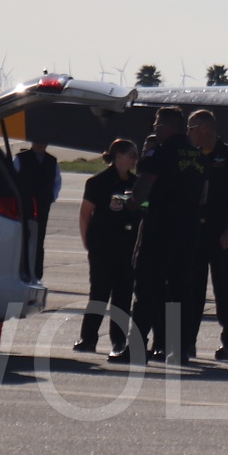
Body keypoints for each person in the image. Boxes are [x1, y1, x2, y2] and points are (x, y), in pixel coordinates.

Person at [128, 107, 207, 363]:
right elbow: (204, 196)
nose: (155, 130)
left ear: (169, 128)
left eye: (158, 126)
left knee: (147, 289)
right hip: (188, 231)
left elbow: (142, 189)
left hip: (160, 230)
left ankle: (137, 349)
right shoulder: (198, 156)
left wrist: (129, 203)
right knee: (181, 291)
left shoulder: (158, 154)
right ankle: (179, 349)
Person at [186, 110, 228, 361]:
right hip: (195, 232)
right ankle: (188, 342)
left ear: (203, 129)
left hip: (220, 232)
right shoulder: (191, 156)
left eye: (191, 128)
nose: (188, 133)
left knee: (223, 290)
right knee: (193, 290)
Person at [73, 139, 143, 354]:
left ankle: (118, 341)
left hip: (127, 246)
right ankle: (88, 338)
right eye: (131, 154)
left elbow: (144, 209)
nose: (135, 159)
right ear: (119, 156)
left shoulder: (137, 183)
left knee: (122, 296)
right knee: (99, 293)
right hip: (103, 245)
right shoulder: (98, 182)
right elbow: (85, 213)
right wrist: (87, 242)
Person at [13, 139, 62, 280]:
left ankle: (36, 273)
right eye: (37, 141)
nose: (40, 144)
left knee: (39, 239)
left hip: (42, 207)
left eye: (43, 141)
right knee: (22, 239)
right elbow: (13, 178)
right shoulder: (20, 158)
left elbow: (57, 182)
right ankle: (19, 270)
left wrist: (51, 198)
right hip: (23, 207)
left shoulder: (52, 161)